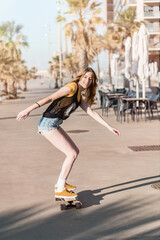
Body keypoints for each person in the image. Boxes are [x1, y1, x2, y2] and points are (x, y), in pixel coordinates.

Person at [16, 67, 120, 199]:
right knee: (71, 154)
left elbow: (91, 112)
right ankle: (60, 188)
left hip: (54, 123)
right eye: (85, 77)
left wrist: (109, 127)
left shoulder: (78, 95)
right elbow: (50, 98)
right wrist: (28, 110)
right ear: (80, 76)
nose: (87, 80)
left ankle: (60, 184)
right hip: (47, 124)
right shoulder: (71, 87)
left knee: (75, 151)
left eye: (90, 79)